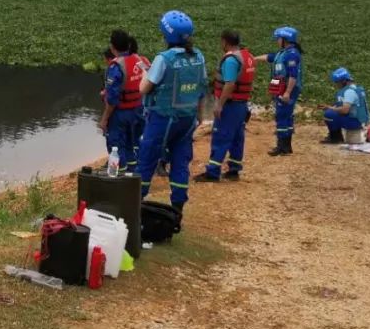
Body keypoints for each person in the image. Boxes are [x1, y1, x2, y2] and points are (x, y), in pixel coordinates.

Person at [136, 11, 207, 211]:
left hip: (163, 118)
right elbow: (202, 87)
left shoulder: (164, 59)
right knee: (181, 162)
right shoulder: (198, 57)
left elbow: (144, 88)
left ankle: (135, 205)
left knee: (147, 159)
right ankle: (177, 210)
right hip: (187, 119)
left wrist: (145, 73)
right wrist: (200, 116)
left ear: (166, 35)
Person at [195, 30, 255, 182]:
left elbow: (229, 84)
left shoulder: (230, 60)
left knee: (221, 137)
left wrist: (219, 105)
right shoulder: (247, 56)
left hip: (230, 105)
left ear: (225, 42)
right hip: (241, 105)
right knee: (237, 137)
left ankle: (213, 172)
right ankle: (234, 170)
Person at [98, 30, 150, 174]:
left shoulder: (116, 67)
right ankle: (132, 173)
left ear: (112, 47)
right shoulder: (139, 60)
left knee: (115, 146)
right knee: (129, 144)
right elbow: (151, 78)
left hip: (120, 113)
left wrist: (104, 119)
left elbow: (112, 99)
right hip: (138, 110)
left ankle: (115, 175)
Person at [262, 26, 303, 156]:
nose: (277, 41)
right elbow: (270, 57)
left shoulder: (291, 55)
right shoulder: (283, 53)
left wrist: (287, 93)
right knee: (286, 116)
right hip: (281, 88)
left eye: (278, 38)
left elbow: (293, 76)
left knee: (282, 116)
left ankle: (282, 147)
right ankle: (286, 146)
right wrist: (254, 59)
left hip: (287, 89)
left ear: (285, 39)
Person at [322, 68, 370, 144]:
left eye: (337, 82)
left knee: (329, 114)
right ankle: (338, 136)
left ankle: (335, 138)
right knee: (333, 111)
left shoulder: (349, 92)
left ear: (344, 81)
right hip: (360, 120)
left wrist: (329, 108)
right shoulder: (355, 88)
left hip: (355, 122)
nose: (336, 84)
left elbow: (345, 111)